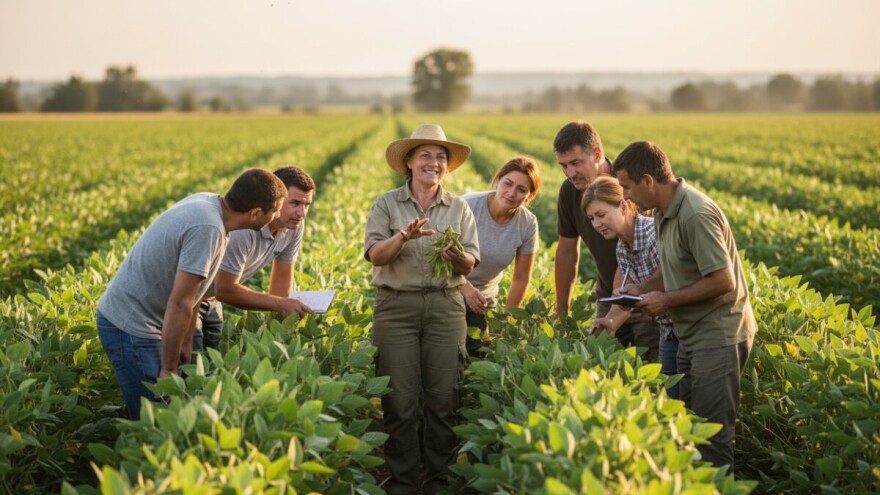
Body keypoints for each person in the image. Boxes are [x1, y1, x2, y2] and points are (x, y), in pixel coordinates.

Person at [97, 169, 287, 420]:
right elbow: (180, 303)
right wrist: (168, 367)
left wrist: (186, 339)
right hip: (132, 327)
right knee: (154, 420)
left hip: (142, 320)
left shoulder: (209, 203)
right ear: (255, 213)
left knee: (163, 413)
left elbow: (193, 295)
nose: (278, 216)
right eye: (275, 210)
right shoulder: (209, 229)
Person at [612, 141, 757, 470]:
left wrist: (666, 301)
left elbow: (723, 280)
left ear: (648, 181)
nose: (626, 196)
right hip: (689, 334)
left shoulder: (695, 212)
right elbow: (672, 267)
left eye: (627, 187)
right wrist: (641, 289)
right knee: (687, 429)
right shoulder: (663, 212)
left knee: (712, 438)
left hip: (718, 336)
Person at [364, 124, 479, 494]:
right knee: (398, 399)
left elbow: (470, 263)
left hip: (446, 307)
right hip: (395, 308)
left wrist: (457, 256)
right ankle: (402, 481)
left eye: (440, 157)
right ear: (409, 163)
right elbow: (375, 256)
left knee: (444, 398)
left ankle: (439, 481)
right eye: (425, 155)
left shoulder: (458, 207)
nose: (434, 163)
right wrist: (403, 236)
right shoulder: (386, 204)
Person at [552, 121, 656, 355]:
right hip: (609, 296)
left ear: (597, 154)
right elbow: (567, 251)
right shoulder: (569, 191)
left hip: (648, 301)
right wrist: (562, 309)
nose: (570, 173)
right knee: (601, 367)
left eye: (576, 163)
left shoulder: (630, 183)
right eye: (563, 165)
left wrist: (635, 300)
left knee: (651, 373)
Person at [194, 166, 316, 351]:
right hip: (189, 293)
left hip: (210, 296)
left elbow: (282, 279)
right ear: (279, 198)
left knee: (212, 361)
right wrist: (281, 304)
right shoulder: (246, 228)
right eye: (295, 203)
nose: (302, 213)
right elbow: (225, 290)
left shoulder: (294, 226)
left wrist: (280, 333)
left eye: (307, 205)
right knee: (189, 361)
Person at [581, 176, 673, 390]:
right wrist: (610, 322)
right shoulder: (623, 247)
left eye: (601, 215)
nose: (596, 224)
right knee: (665, 392)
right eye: (591, 218)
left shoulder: (655, 235)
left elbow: (677, 278)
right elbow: (628, 295)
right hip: (669, 330)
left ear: (623, 206)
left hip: (687, 330)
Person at [460, 156, 540, 358]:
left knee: (478, 358)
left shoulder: (527, 223)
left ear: (529, 196)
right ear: (498, 181)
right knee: (448, 356)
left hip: (482, 301)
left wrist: (505, 321)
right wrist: (466, 289)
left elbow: (521, 278)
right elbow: (438, 258)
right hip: (448, 289)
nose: (512, 193)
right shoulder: (467, 206)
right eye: (508, 184)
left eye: (521, 190)